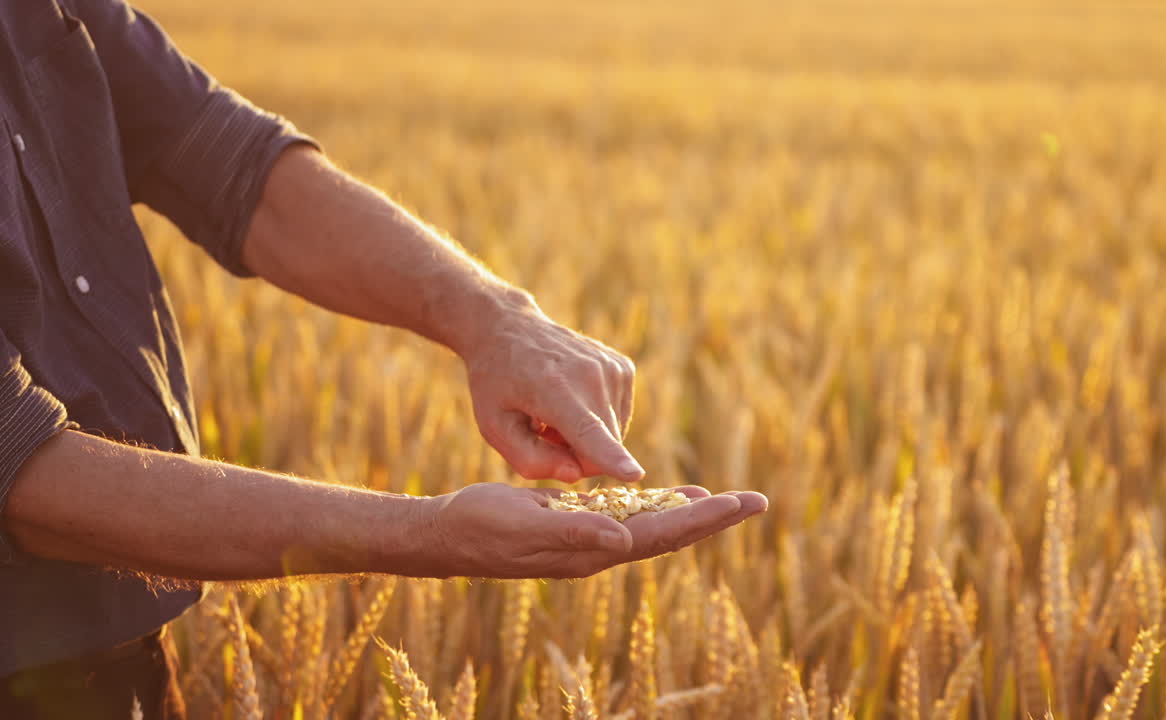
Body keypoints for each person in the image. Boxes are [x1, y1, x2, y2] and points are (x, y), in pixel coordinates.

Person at [0, 1, 768, 717]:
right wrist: (432, 534)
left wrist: (497, 318)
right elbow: (25, 467)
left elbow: (216, 152)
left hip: (120, 662)